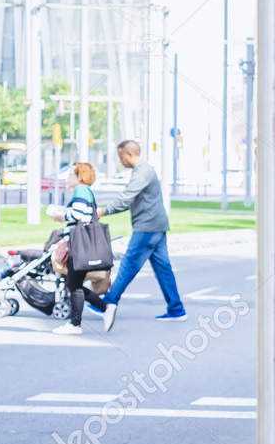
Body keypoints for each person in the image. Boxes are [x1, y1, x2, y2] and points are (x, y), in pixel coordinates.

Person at [95, 139, 184, 320]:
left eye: (121, 157)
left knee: (129, 264)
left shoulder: (142, 172)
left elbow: (127, 198)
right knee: (163, 268)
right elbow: (131, 200)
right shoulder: (143, 171)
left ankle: (108, 302)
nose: (120, 161)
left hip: (148, 226)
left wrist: (103, 211)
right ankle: (176, 309)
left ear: (129, 154)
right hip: (156, 225)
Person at [52, 161, 115, 335]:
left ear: (79, 176)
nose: (67, 178)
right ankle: (100, 310)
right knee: (74, 284)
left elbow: (78, 215)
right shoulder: (86, 191)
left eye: (71, 174)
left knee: (74, 284)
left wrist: (58, 214)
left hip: (79, 243)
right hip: (83, 243)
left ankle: (77, 323)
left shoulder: (80, 190)